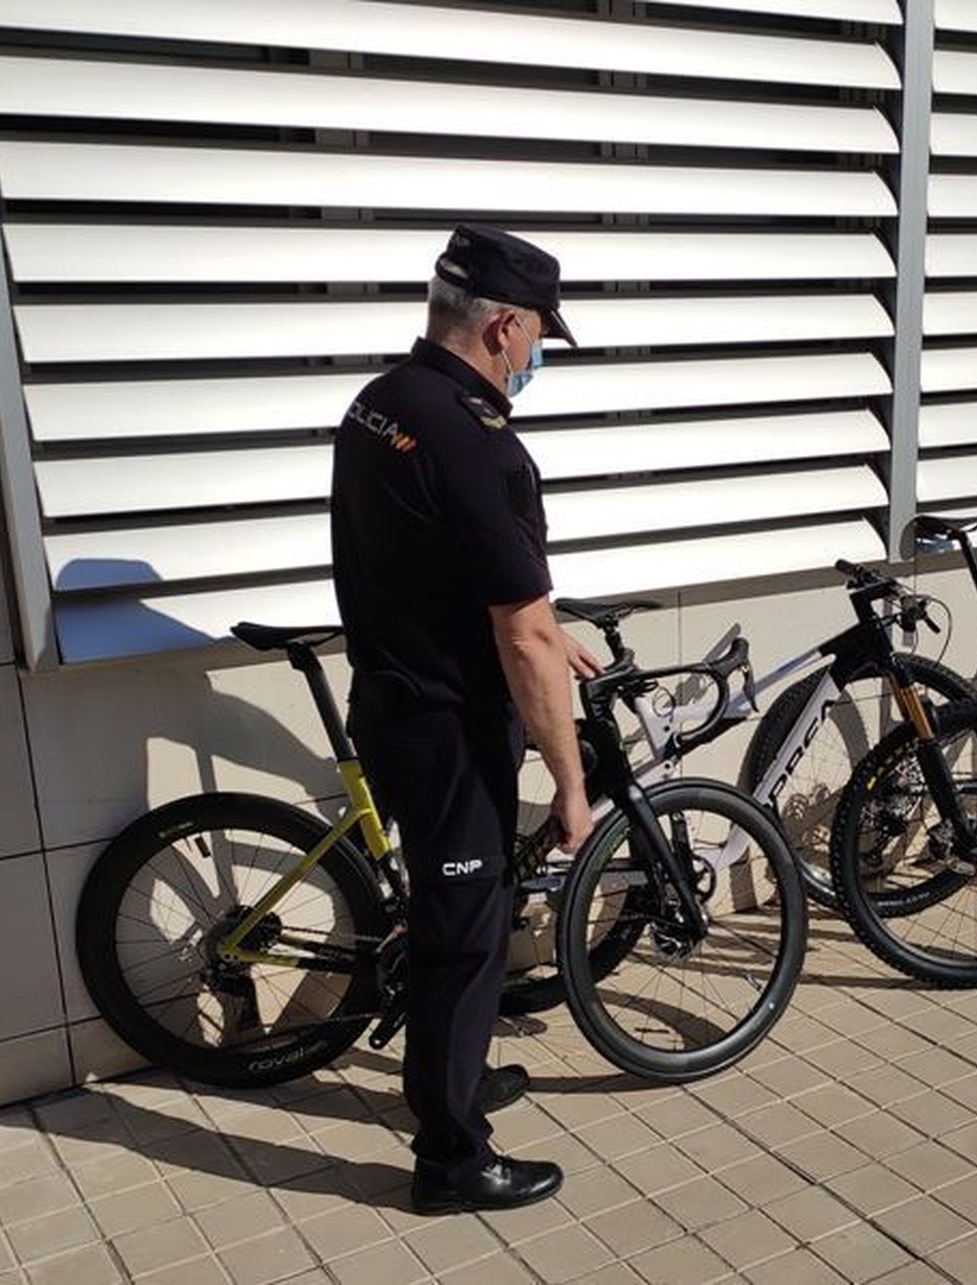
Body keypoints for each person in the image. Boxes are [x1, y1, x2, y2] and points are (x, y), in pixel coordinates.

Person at [330, 224, 599, 1214]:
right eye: (536, 341)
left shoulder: (382, 403)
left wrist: (536, 622)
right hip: (444, 728)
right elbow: (519, 632)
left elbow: (442, 566)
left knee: (459, 923)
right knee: (464, 937)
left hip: (392, 700)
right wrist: (569, 787)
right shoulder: (476, 443)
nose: (534, 360)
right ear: (505, 327)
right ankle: (449, 1157)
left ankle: (458, 1073)